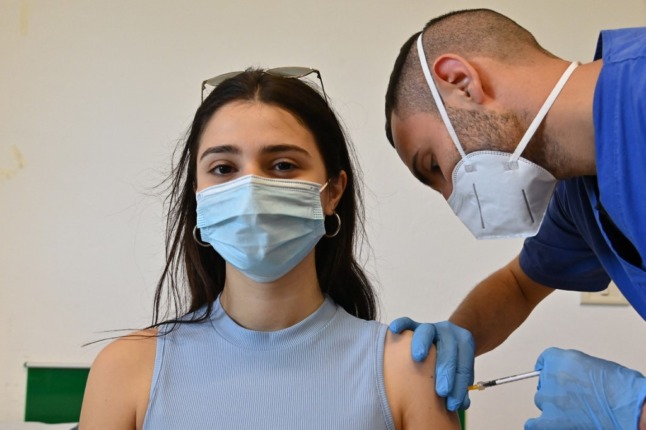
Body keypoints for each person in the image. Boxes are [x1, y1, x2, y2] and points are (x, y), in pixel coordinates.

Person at [79, 68, 460, 429]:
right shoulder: (125, 371)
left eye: (281, 165)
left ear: (333, 192)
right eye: (224, 169)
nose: (251, 190)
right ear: (198, 197)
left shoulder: (408, 370)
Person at [384, 8, 646, 429]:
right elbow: (519, 286)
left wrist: (634, 414)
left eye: (434, 164)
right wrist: (451, 342)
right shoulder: (581, 192)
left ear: (460, 82)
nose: (452, 195)